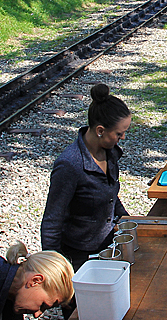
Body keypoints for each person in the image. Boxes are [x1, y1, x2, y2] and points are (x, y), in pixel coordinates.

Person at [41, 83, 131, 269]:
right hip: (79, 257)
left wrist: (129, 221)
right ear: (100, 130)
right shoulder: (69, 165)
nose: (123, 138)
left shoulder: (110, 152)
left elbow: (110, 196)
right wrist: (54, 268)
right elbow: (52, 220)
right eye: (119, 133)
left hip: (108, 246)